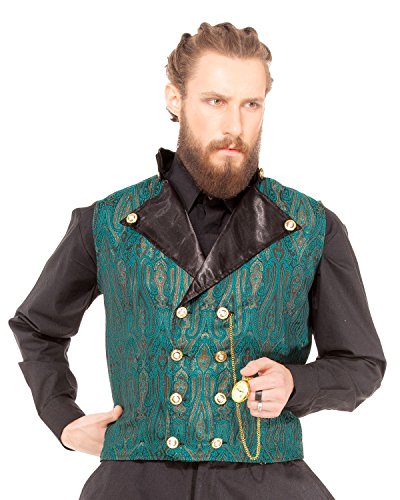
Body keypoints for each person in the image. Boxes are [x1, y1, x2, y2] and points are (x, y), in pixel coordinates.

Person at [8, 21, 386, 500]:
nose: (235, 126)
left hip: (268, 485)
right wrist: (63, 419)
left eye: (251, 104)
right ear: (176, 99)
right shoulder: (107, 223)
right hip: (135, 485)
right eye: (215, 101)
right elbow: (38, 327)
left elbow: (361, 364)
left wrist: (297, 382)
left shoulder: (312, 227)